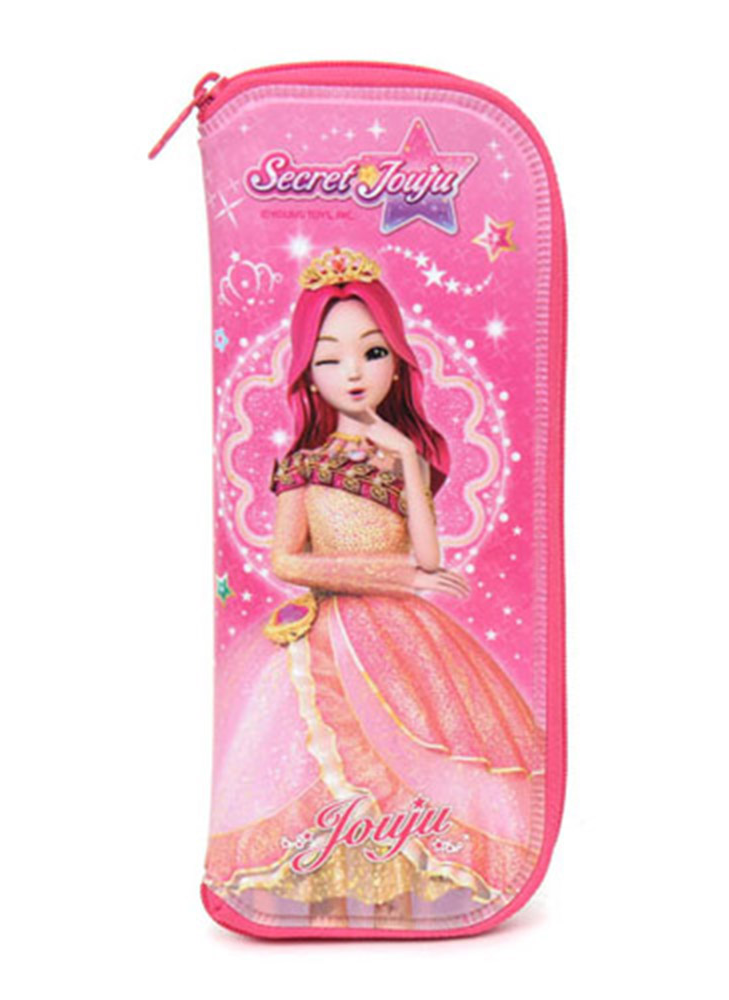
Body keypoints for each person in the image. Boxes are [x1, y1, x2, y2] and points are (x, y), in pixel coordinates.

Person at [203, 247, 545, 930]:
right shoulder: (303, 466)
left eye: (373, 353)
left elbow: (428, 554)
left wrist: (409, 458)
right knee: (321, 758)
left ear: (398, 361)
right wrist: (394, 576)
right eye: (329, 359)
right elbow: (286, 562)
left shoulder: (402, 457)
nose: (354, 373)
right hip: (329, 633)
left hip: (405, 637)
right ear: (307, 372)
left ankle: (403, 892)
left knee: (415, 752)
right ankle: (325, 896)